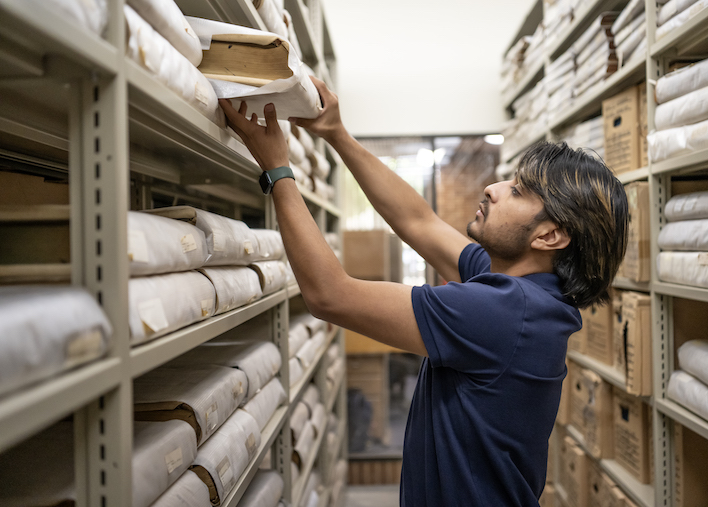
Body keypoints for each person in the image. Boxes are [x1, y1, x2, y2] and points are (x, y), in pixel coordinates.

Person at [219, 77, 628, 507]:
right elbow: (420, 223)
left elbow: (329, 295)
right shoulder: (526, 293)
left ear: (549, 236)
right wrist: (337, 134)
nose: (493, 187)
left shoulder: (503, 312)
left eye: (518, 191)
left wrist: (278, 170)